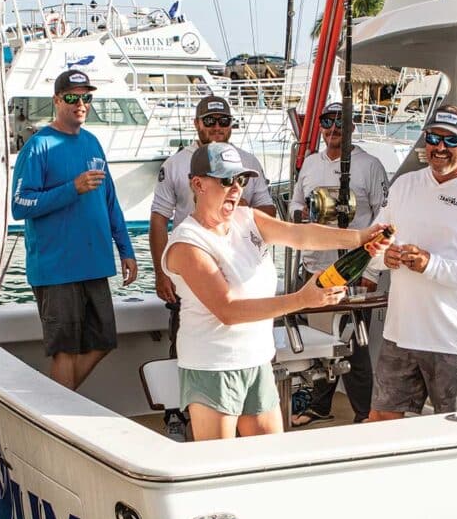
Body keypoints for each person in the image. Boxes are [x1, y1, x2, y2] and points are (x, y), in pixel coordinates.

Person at [161, 141, 391, 441]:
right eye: (226, 180)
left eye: (241, 180)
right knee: (221, 469)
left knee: (270, 457)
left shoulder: (248, 217)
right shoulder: (186, 243)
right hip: (213, 367)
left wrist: (360, 237)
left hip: (258, 361)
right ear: (198, 184)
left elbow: (299, 234)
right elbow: (228, 310)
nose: (236, 189)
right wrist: (301, 300)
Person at [364, 104, 457, 420]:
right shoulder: (405, 184)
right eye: (433, 137)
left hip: (454, 341)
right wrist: (383, 257)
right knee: (379, 423)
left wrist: (431, 265)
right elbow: (373, 245)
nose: (440, 148)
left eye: (451, 140)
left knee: (448, 434)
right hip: (400, 334)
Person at [11, 69, 137, 390]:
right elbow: (20, 205)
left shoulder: (93, 142)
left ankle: (53, 399)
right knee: (64, 351)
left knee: (105, 340)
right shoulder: (38, 146)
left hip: (94, 265)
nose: (80, 103)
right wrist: (73, 188)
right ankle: (57, 409)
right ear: (56, 100)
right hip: (56, 270)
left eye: (86, 97)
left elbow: (110, 201)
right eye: (72, 97)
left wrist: (126, 249)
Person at [288, 101, 389, 427]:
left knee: (355, 345)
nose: (333, 128)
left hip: (354, 271)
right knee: (316, 343)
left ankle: (364, 413)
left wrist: (372, 270)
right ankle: (319, 405)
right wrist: (302, 215)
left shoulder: (370, 166)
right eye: (327, 121)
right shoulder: (310, 164)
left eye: (340, 122)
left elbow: (385, 220)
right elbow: (296, 203)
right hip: (315, 270)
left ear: (352, 127)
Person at [150, 94, 275, 308]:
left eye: (224, 121)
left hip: (238, 264)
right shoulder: (174, 164)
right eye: (209, 121)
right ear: (196, 123)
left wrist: (245, 210)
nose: (217, 126)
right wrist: (162, 273)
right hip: (193, 265)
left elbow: (269, 210)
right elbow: (158, 220)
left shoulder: (249, 161)